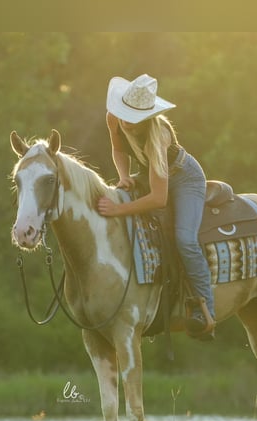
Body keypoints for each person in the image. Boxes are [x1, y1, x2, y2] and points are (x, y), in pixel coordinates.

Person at [97, 73, 215, 340]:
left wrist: (117, 210)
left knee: (185, 238)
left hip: (183, 178)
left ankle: (205, 309)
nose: (127, 121)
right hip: (149, 171)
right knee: (120, 199)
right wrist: (124, 176)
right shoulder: (113, 117)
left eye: (134, 117)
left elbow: (159, 198)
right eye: (124, 113)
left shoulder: (157, 135)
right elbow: (118, 149)